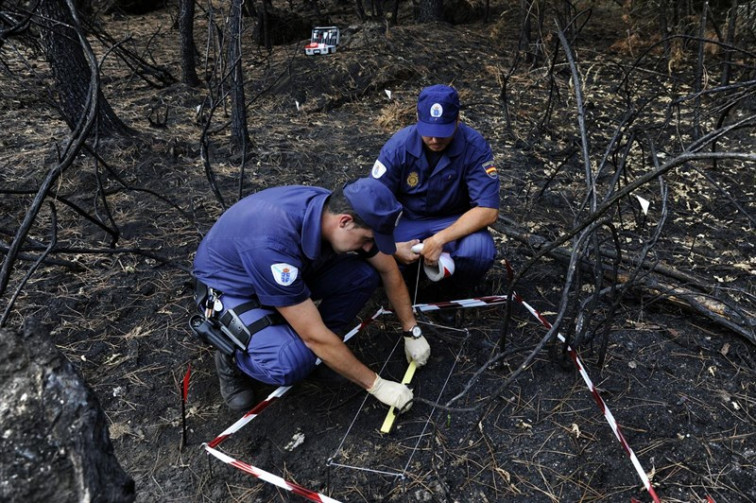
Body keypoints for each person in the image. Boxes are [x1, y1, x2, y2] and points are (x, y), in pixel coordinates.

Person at [191, 177, 431, 412]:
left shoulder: (333, 209)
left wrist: (411, 329)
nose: (370, 248)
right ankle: (231, 357)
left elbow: (387, 269)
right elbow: (313, 336)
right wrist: (377, 385)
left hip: (284, 274)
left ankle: (325, 353)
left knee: (363, 276)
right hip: (234, 289)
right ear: (345, 222)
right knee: (290, 362)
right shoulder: (272, 245)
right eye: (368, 240)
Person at [370, 84, 500, 297]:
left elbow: (488, 210)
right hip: (407, 219)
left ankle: (451, 293)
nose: (435, 139)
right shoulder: (398, 146)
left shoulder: (474, 146)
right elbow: (372, 200)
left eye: (443, 132)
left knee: (479, 252)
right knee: (377, 250)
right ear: (417, 118)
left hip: (453, 219)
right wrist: (392, 247)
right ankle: (406, 283)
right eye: (429, 132)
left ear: (458, 120)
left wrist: (439, 239)